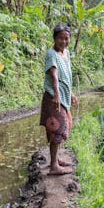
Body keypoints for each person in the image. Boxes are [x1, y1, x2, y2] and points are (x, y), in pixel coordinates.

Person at [39, 24, 78, 175]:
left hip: (63, 96)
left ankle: (56, 159)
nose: (64, 41)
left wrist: (71, 93)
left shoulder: (66, 53)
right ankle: (54, 166)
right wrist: (57, 94)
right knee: (58, 128)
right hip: (54, 97)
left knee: (64, 127)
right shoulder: (52, 54)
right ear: (54, 38)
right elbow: (54, 76)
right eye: (60, 38)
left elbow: (66, 76)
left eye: (66, 38)